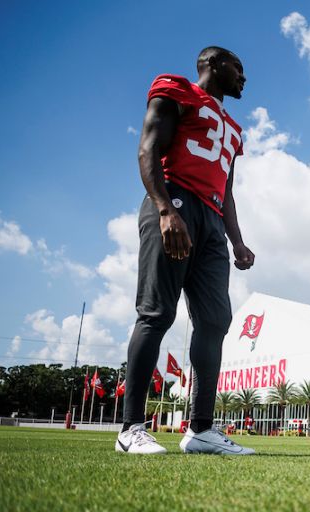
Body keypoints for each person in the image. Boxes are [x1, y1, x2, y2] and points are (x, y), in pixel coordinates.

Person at [115, 46, 256, 455]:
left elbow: (226, 190)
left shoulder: (233, 127)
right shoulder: (177, 89)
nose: (244, 78)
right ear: (212, 64)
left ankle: (200, 429)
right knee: (157, 312)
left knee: (215, 321)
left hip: (211, 219)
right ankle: (131, 428)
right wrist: (163, 208)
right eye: (238, 68)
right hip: (175, 201)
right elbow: (147, 149)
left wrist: (237, 239)